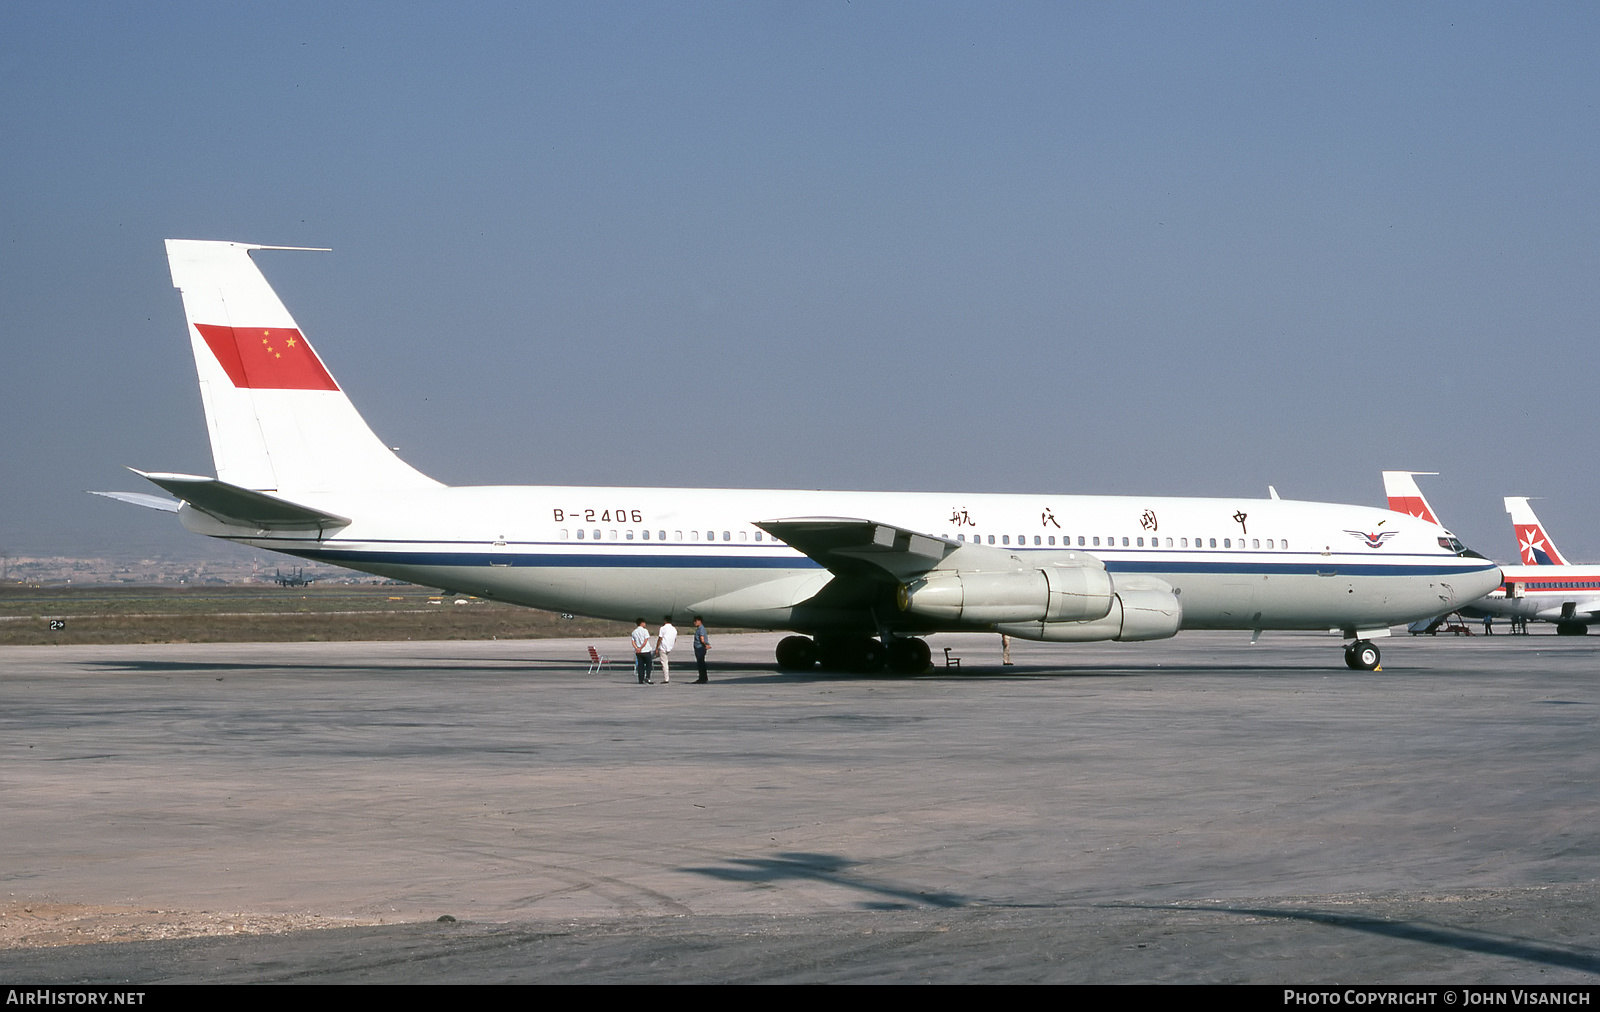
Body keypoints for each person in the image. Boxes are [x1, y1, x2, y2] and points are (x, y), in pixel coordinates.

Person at [656, 616, 677, 683]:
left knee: (664, 663)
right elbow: (675, 639)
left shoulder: (663, 628)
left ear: (665, 621)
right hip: (669, 647)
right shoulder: (674, 629)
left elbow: (660, 638)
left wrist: (656, 648)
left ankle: (666, 679)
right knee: (664, 661)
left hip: (663, 647)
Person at [631, 619, 653, 683]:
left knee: (640, 666)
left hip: (639, 652)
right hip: (646, 650)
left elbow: (633, 642)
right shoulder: (645, 631)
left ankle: (641, 679)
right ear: (641, 623)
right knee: (648, 665)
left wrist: (637, 648)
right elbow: (645, 641)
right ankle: (647, 677)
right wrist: (641, 648)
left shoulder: (634, 632)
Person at [692, 617, 710, 683]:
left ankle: (702, 678)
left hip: (700, 648)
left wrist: (705, 645)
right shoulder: (700, 629)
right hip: (699, 648)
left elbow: (702, 639)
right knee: (701, 663)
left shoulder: (701, 629)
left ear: (700, 621)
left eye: (695, 621)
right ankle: (703, 677)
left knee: (701, 663)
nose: (694, 622)